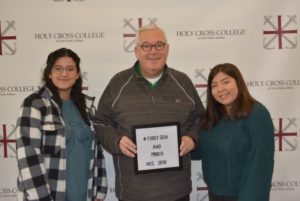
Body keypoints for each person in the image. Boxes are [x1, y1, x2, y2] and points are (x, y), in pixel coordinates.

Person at [94, 24, 205, 201]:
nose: (153, 51)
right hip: (133, 193)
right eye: (146, 46)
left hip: (176, 192)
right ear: (137, 51)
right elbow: (100, 122)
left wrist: (192, 137)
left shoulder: (182, 82)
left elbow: (201, 118)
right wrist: (116, 141)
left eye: (159, 45)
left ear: (167, 49)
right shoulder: (118, 83)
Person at [16, 48, 108, 201]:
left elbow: (97, 152)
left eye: (70, 69)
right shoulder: (34, 104)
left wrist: (99, 190)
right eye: (58, 69)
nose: (64, 74)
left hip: (84, 194)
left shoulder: (87, 106)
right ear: (49, 73)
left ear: (77, 74)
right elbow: (28, 157)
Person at [192, 63, 274, 201]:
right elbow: (199, 151)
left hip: (244, 196)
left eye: (226, 82)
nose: (220, 89)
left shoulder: (257, 113)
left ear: (238, 83)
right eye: (214, 85)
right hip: (215, 195)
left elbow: (260, 164)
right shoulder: (212, 117)